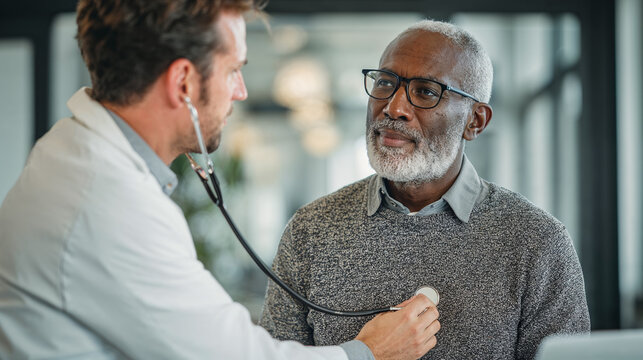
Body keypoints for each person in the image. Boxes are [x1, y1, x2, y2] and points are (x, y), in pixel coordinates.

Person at [0, 1, 441, 359]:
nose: (241, 91)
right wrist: (369, 352)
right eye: (233, 70)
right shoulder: (106, 201)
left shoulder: (72, 153)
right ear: (184, 84)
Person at [259, 19, 591, 360]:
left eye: (426, 92)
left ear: (475, 122)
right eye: (386, 83)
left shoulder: (537, 241)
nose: (394, 108)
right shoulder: (310, 230)